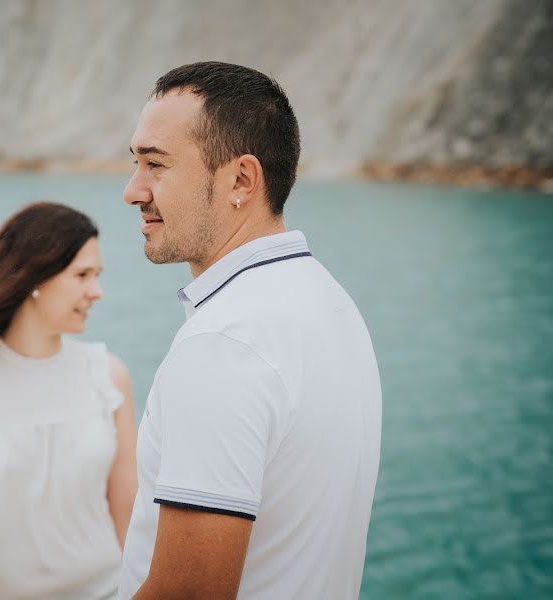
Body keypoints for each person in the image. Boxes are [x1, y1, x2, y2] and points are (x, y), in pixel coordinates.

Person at [119, 62, 382, 599]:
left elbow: (189, 594)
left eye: (156, 165)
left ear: (241, 179)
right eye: (136, 163)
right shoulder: (331, 305)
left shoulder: (225, 344)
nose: (133, 190)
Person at [0, 202, 138, 600]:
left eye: (97, 276)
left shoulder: (108, 375)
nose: (96, 291)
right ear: (35, 276)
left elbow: (130, 519)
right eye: (82, 275)